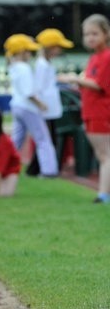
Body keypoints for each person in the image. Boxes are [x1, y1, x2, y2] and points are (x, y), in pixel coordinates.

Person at [60, 14, 110, 204]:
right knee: (102, 154)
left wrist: (74, 78)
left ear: (106, 34)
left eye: (95, 33)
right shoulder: (95, 57)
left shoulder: (106, 57)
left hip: (101, 111)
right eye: (87, 34)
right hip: (90, 111)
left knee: (105, 155)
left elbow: (99, 85)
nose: (90, 38)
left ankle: (103, 194)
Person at [4, 34, 58, 178]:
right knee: (43, 139)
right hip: (28, 107)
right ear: (22, 52)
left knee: (16, 139)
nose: (30, 54)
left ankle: (4, 164)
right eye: (28, 51)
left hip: (17, 106)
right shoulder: (24, 68)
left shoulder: (13, 66)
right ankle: (49, 171)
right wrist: (41, 104)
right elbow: (29, 92)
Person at [27, 28, 74, 176]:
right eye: (58, 47)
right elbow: (38, 87)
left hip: (50, 108)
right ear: (50, 47)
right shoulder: (41, 65)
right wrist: (40, 104)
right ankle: (37, 169)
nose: (59, 51)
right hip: (45, 109)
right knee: (47, 140)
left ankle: (37, 169)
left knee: (49, 139)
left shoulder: (46, 63)